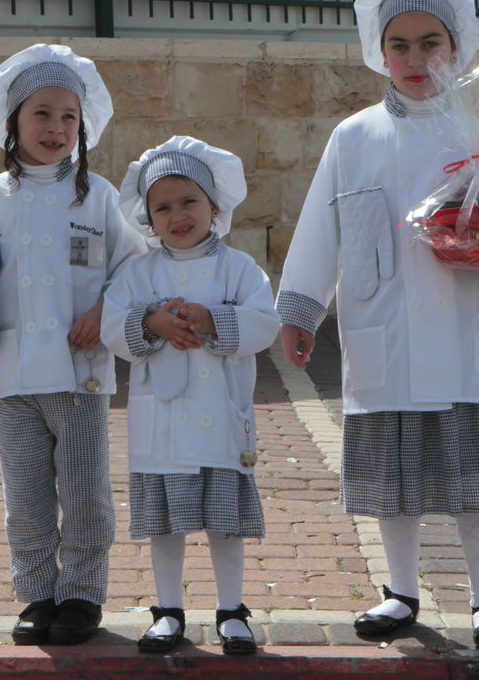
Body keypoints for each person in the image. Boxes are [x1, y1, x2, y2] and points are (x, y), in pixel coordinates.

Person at [276, 0, 479, 650]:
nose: (416, 58)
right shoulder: (353, 137)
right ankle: (400, 591)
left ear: (456, 48)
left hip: (465, 333)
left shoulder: (478, 137)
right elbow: (321, 229)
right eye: (399, 44)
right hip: (385, 336)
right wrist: (301, 309)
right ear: (378, 50)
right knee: (393, 477)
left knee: (474, 477)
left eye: (431, 42)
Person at [0, 44, 145, 645]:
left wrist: (107, 309)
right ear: (11, 124)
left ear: (84, 125)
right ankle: (37, 593)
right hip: (13, 378)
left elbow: (135, 267)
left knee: (83, 494)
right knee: (26, 497)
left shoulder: (99, 197)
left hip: (79, 376)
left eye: (68, 117)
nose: (56, 128)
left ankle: (80, 594)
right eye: (42, 115)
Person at [102, 136, 278, 656]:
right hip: (164, 423)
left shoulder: (240, 269)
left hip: (222, 417)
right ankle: (168, 611)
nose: (177, 215)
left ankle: (231, 610)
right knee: (167, 525)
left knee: (225, 524)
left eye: (188, 202)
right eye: (163, 207)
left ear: (215, 205)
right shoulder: (137, 273)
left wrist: (215, 320)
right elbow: (115, 325)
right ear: (147, 217)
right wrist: (150, 323)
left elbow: (264, 323)